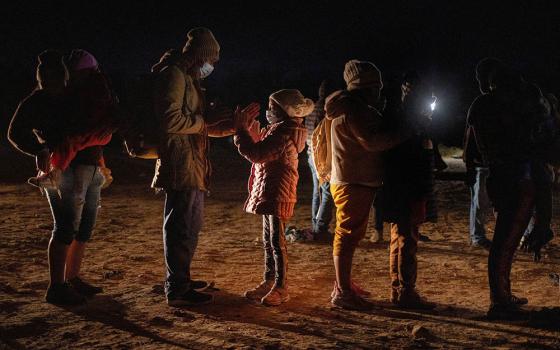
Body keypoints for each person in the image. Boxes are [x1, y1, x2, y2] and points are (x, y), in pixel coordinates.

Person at [8, 49, 113, 305]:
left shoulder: (72, 96)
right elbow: (14, 133)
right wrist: (40, 149)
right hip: (62, 169)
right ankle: (57, 286)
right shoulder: (38, 100)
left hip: (88, 167)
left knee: (83, 228)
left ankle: (72, 278)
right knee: (66, 227)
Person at [151, 27, 240, 307]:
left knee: (189, 225)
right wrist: (204, 121)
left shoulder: (187, 77)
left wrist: (230, 125)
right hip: (180, 162)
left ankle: (180, 278)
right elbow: (171, 121)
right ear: (200, 55)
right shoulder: (174, 75)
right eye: (210, 60)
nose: (211, 66)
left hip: (192, 160)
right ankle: (177, 287)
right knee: (180, 225)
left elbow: (193, 122)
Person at [319, 60, 409, 310]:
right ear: (367, 87)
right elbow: (371, 142)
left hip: (349, 179)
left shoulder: (344, 109)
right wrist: (405, 133)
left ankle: (342, 284)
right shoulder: (355, 110)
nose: (379, 92)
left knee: (347, 234)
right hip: (354, 180)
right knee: (347, 235)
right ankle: (343, 292)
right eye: (376, 86)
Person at [468, 58, 550, 319]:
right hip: (517, 177)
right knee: (505, 242)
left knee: (505, 241)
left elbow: (475, 145)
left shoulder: (483, 105)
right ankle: (499, 301)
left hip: (502, 176)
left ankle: (502, 295)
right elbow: (535, 139)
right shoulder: (510, 105)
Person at [235, 89, 312, 306]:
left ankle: (281, 286)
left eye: (272, 107)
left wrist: (241, 131)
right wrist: (254, 137)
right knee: (270, 241)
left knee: (277, 242)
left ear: (284, 110)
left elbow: (256, 154)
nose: (268, 111)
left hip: (278, 192)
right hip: (271, 190)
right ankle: (270, 281)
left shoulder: (283, 132)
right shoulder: (278, 130)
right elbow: (262, 154)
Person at [379, 70, 436, 309]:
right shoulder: (412, 124)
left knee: (398, 237)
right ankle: (406, 291)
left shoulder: (393, 116)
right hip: (409, 187)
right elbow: (418, 158)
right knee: (407, 240)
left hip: (396, 186)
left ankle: (398, 288)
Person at [27, 49, 115, 191]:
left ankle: (54, 174)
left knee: (71, 141)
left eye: (76, 73)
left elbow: (104, 109)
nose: (72, 77)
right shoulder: (95, 83)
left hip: (97, 129)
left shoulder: (93, 86)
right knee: (85, 142)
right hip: (99, 129)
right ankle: (104, 172)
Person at [463, 73, 493, 250]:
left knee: (481, 200)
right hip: (482, 162)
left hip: (488, 161)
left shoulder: (483, 104)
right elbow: (470, 135)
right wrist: (469, 163)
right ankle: (477, 235)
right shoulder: (481, 105)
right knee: (479, 200)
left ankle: (478, 235)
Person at [305, 79, 336, 239]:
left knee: (317, 192)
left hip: (311, 155)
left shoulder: (311, 109)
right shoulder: (327, 111)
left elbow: (307, 134)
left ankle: (316, 225)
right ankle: (321, 228)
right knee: (327, 193)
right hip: (321, 157)